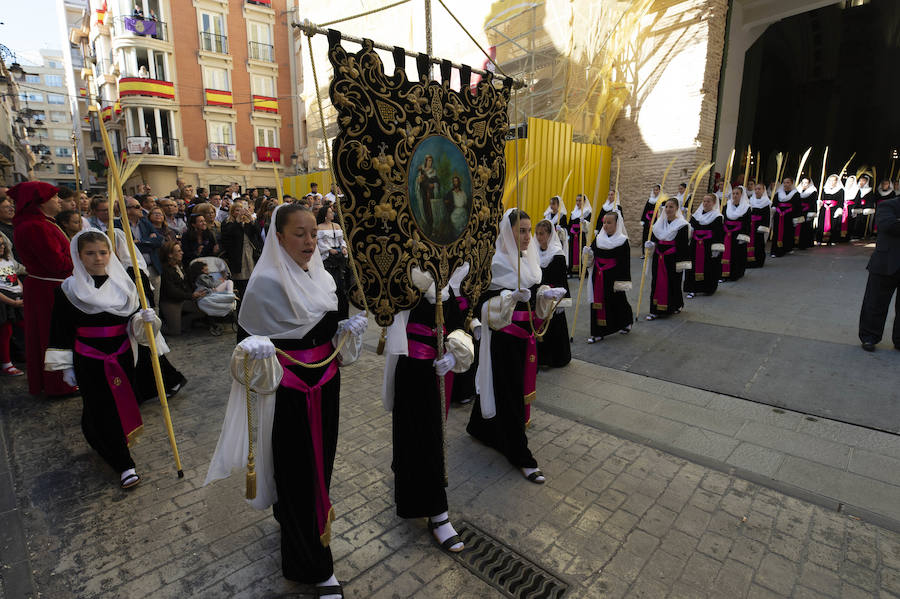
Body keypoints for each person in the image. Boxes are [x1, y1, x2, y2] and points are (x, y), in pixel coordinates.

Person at [205, 204, 367, 599]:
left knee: (320, 465)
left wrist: (348, 333)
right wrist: (254, 348)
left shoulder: (324, 278)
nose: (310, 241)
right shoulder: (265, 285)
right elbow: (243, 353)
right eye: (299, 233)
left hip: (327, 386)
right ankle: (311, 564)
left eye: (313, 233)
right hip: (289, 394)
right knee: (299, 474)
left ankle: (299, 525)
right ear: (278, 237)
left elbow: (332, 344)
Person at [44, 230, 160, 489]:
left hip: (122, 354)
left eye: (103, 252)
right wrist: (65, 367)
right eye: (90, 253)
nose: (98, 258)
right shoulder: (68, 290)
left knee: (119, 403)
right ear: (79, 255)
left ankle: (101, 436)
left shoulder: (127, 285)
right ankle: (123, 463)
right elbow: (60, 330)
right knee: (100, 406)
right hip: (89, 358)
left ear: (110, 254)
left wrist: (146, 320)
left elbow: (135, 324)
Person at [466, 209, 565, 483]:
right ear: (508, 232)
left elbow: (534, 297)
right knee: (510, 394)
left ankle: (481, 427)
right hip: (503, 340)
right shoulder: (495, 264)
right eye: (521, 230)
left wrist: (546, 295)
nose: (527, 237)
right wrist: (508, 299)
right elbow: (482, 307)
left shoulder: (529, 262)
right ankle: (521, 455)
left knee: (505, 390)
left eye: (529, 230)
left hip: (525, 339)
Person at [381, 265, 474, 553]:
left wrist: (452, 353)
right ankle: (429, 507)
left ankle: (436, 509)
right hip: (412, 372)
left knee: (434, 440)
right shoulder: (408, 285)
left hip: (438, 374)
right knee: (415, 436)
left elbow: (458, 325)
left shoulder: (446, 288)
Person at [9, 181, 77, 397]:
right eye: (54, 197)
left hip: (50, 286)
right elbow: (56, 263)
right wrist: (79, 258)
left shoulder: (42, 222)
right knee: (54, 336)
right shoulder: (35, 226)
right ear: (40, 202)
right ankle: (59, 384)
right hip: (49, 289)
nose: (59, 200)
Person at [113, 230, 187, 402]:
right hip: (124, 323)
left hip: (137, 320)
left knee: (148, 354)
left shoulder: (132, 269)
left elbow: (145, 296)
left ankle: (168, 383)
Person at [857, 194, 900, 351]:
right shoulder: (887, 205)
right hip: (886, 262)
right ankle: (869, 337)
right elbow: (889, 226)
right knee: (875, 303)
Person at [583, 211, 632, 342]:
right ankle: (598, 332)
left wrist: (621, 281)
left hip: (613, 277)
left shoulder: (622, 241)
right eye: (604, 222)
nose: (605, 225)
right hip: (598, 276)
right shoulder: (598, 238)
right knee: (596, 302)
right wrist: (588, 254)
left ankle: (626, 321)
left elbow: (624, 264)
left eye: (609, 222)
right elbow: (591, 259)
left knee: (617, 302)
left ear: (617, 224)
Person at [645, 198, 690, 320]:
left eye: (671, 207)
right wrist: (651, 245)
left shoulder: (682, 225)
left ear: (677, 209)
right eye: (667, 207)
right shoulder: (658, 224)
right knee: (656, 283)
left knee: (673, 283)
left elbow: (683, 246)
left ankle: (673, 305)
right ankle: (654, 310)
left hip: (673, 259)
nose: (668, 209)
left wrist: (681, 264)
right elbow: (655, 240)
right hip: (658, 258)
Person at [534, 219, 571, 367]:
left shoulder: (557, 254)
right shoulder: (534, 253)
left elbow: (561, 279)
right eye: (536, 233)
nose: (538, 237)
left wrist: (560, 299)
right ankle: (542, 359)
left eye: (542, 233)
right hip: (540, 296)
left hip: (553, 296)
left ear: (550, 234)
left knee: (555, 328)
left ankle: (558, 358)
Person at [158, 241, 206, 336]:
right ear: (170, 255)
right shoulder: (165, 270)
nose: (182, 253)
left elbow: (186, 283)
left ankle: (184, 322)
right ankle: (158, 328)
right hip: (170, 301)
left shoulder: (179, 265)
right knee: (175, 331)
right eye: (179, 251)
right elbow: (171, 291)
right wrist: (191, 295)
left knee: (204, 310)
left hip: (183, 299)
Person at [684, 193, 724, 298]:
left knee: (708, 266)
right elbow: (690, 228)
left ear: (714, 203)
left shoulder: (717, 217)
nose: (705, 203)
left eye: (708, 201)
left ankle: (707, 288)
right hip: (695, 245)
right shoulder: (696, 215)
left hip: (708, 246)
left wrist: (716, 248)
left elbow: (719, 233)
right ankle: (692, 289)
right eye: (704, 201)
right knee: (693, 266)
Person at [221, 200, 262, 297]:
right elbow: (228, 235)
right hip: (237, 254)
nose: (240, 212)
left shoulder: (248, 221)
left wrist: (251, 220)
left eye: (242, 210)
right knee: (241, 281)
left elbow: (258, 232)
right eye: (237, 210)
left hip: (250, 252)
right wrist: (237, 221)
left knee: (252, 279)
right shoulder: (228, 223)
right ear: (232, 212)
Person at [317, 205, 349, 319]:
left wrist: (344, 247)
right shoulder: (319, 228)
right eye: (330, 212)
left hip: (339, 258)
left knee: (342, 286)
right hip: (328, 259)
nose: (332, 214)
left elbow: (342, 240)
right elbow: (320, 243)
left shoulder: (337, 226)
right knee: (332, 284)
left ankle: (343, 313)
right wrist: (329, 249)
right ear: (325, 215)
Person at [0, 233, 24, 376]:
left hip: (16, 298)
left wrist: (22, 292)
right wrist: (11, 302)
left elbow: (15, 279)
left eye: (3, 244)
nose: (2, 247)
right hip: (4, 301)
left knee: (24, 326)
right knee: (5, 332)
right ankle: (6, 363)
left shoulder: (7, 260)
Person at [721, 185, 751, 282]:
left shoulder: (746, 208)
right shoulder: (726, 206)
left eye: (737, 194)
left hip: (738, 234)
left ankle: (735, 274)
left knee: (736, 254)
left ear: (741, 195)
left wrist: (743, 236)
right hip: (727, 234)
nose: (735, 195)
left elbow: (746, 223)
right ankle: (723, 273)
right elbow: (723, 220)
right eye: (733, 193)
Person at [770, 177, 800, 258]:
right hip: (779, 216)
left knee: (788, 232)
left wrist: (795, 217)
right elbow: (774, 203)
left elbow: (797, 207)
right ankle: (776, 250)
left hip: (789, 216)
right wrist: (775, 209)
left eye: (788, 182)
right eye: (784, 183)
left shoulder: (795, 194)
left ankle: (787, 248)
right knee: (777, 232)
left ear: (791, 183)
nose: (786, 184)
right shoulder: (778, 193)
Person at [567, 194, 591, 276]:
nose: (578, 202)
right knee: (572, 252)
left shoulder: (587, 212)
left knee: (582, 252)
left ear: (584, 201)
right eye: (577, 200)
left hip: (582, 235)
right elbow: (570, 224)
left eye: (580, 200)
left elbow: (590, 225)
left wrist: (584, 222)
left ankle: (582, 271)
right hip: (573, 234)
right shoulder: (573, 212)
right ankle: (571, 270)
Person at [817, 175, 843, 246]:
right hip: (824, 208)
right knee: (821, 224)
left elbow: (841, 201)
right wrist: (820, 203)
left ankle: (832, 239)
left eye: (833, 180)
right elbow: (822, 198)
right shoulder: (824, 189)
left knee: (833, 224)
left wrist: (839, 209)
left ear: (836, 181)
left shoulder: (840, 190)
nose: (832, 182)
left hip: (833, 208)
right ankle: (820, 239)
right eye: (830, 180)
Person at [797, 177, 818, 249]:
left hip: (807, 211)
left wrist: (810, 211)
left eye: (806, 183)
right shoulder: (798, 190)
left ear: (809, 183)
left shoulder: (813, 191)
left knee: (806, 228)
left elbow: (813, 203)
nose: (804, 184)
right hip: (800, 210)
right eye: (803, 182)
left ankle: (806, 243)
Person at [640, 185, 661, 257]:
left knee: (654, 236)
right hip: (648, 220)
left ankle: (654, 252)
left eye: (657, 190)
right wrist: (643, 220)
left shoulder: (661, 200)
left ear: (659, 191)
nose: (655, 191)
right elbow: (645, 210)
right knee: (646, 236)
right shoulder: (650, 200)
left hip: (657, 220)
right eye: (654, 190)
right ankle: (645, 253)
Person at [839, 175, 859, 243]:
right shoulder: (844, 189)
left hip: (851, 207)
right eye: (849, 181)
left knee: (850, 222)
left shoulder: (857, 190)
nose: (850, 183)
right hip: (844, 207)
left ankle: (848, 237)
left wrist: (854, 208)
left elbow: (857, 200)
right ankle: (841, 237)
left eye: (852, 181)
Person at [853, 175, 874, 239]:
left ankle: (863, 234)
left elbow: (870, 200)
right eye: (861, 180)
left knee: (864, 221)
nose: (862, 182)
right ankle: (855, 234)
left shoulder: (869, 190)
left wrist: (867, 207)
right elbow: (856, 199)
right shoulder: (857, 189)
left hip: (865, 208)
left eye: (864, 181)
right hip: (858, 207)